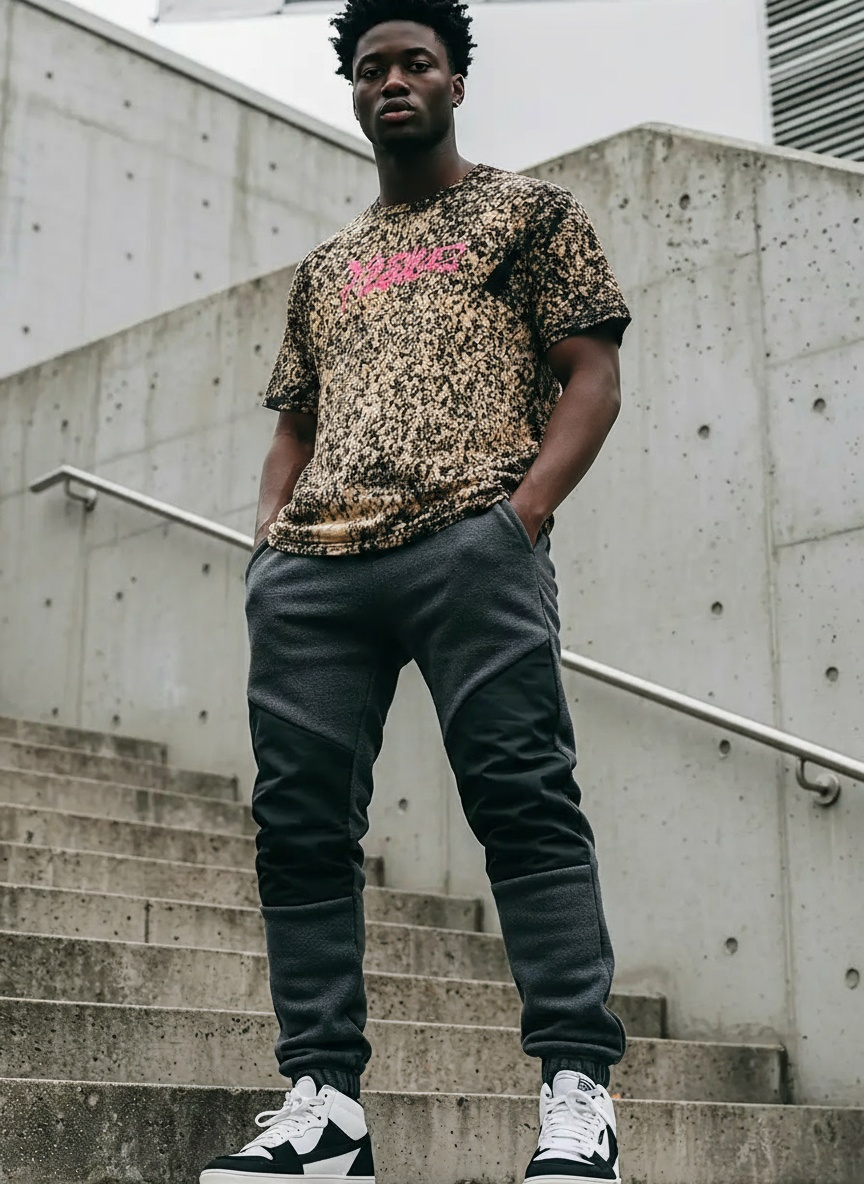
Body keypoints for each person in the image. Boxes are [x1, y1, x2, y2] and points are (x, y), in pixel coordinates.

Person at [200, 2, 631, 1182]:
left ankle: (576, 1092)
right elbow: (294, 421)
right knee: (296, 831)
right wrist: (269, 543)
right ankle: (326, 1105)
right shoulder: (327, 268)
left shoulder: (530, 214)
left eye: (416, 64)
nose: (394, 81)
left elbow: (591, 372)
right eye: (372, 67)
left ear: (453, 83)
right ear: (353, 91)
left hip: (470, 544)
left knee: (525, 801)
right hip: (315, 579)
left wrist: (521, 518)